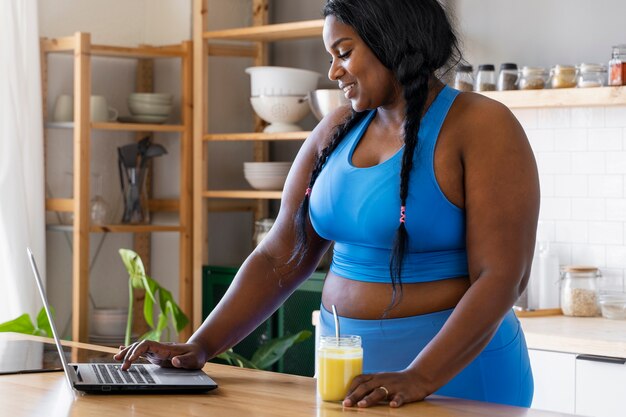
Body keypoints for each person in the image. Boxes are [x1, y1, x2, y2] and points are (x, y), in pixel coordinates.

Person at [115, 0, 540, 409]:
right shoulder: (336, 128)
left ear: (391, 40)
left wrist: (421, 376)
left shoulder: (482, 125)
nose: (334, 71)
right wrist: (201, 345)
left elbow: (503, 277)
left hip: (458, 378)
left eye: (344, 53)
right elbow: (280, 255)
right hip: (351, 380)